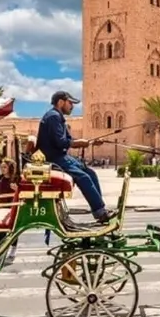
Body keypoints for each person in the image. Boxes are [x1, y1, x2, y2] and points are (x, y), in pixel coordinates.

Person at [36, 91, 116, 223]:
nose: (72, 106)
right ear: (61, 102)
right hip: (54, 159)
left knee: (90, 173)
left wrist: (89, 142)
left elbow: (68, 140)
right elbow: (61, 142)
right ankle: (100, 212)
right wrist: (80, 143)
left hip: (61, 157)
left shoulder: (57, 117)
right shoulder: (53, 117)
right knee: (83, 177)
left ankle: (100, 210)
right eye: (70, 103)